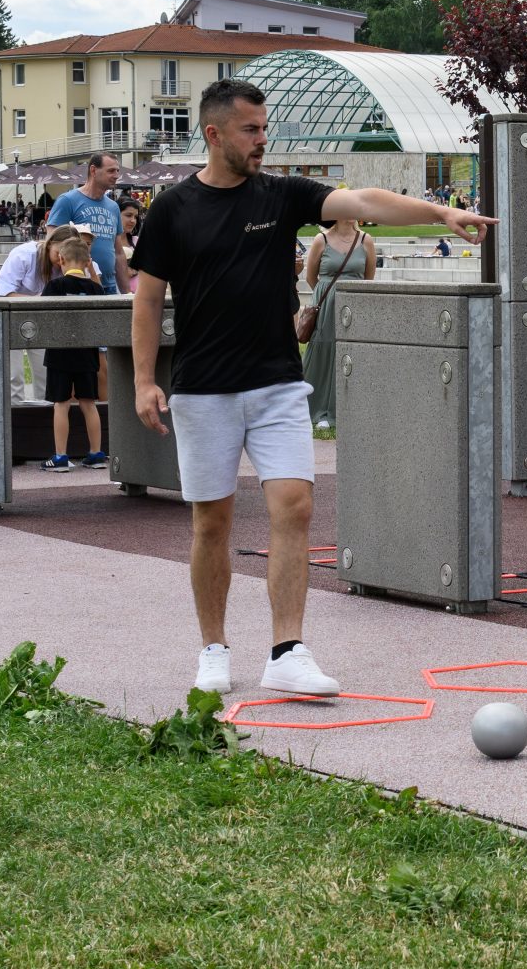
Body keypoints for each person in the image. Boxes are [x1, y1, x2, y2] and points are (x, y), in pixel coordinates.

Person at [129, 78, 494, 699]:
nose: (262, 140)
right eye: (250, 130)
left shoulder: (283, 194)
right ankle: (213, 649)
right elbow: (147, 298)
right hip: (204, 389)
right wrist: (143, 380)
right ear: (214, 134)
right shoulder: (172, 209)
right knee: (212, 522)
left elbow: (366, 200)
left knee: (294, 507)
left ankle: (287, 651)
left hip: (277, 382)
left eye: (264, 128)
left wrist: (441, 213)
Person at [299, 210, 378, 432]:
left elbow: (369, 278)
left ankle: (347, 408)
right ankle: (319, 408)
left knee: (351, 354)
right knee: (323, 353)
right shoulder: (321, 239)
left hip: (354, 306)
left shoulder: (366, 240)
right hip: (326, 305)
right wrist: (328, 295)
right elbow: (311, 277)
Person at [42, 236, 106, 471]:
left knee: (61, 404)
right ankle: (96, 453)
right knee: (89, 403)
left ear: (60, 259)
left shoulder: (54, 287)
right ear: (88, 262)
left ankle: (60, 456)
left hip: (59, 353)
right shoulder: (96, 289)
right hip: (87, 353)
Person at [0, 221, 75, 403]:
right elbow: (3, 293)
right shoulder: (24, 255)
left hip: (41, 319)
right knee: (14, 374)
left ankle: (44, 412)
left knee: (45, 372)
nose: (61, 259)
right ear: (50, 243)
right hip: (10, 315)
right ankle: (14, 413)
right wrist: (39, 300)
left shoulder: (66, 264)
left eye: (67, 255)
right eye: (58, 253)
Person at [49, 152, 126, 293]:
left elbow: (118, 253)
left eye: (117, 171)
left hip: (110, 286)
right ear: (93, 170)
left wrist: (126, 292)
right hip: (79, 286)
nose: (116, 175)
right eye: (111, 171)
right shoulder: (67, 201)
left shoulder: (113, 207)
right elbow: (52, 243)